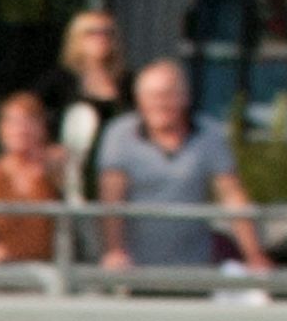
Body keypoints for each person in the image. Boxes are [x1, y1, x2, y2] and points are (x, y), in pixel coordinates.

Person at [94, 59, 266, 274]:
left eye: (167, 95)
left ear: (184, 97)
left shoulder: (210, 134)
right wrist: (114, 251)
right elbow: (111, 198)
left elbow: (232, 196)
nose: (160, 104)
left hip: (194, 268)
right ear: (139, 100)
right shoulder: (119, 135)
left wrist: (254, 255)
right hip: (134, 269)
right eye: (152, 96)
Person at [27, 9, 130, 199]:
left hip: (117, 172)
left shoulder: (128, 83)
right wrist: (47, 147)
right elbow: (29, 114)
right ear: (76, 38)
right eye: (92, 32)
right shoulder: (59, 81)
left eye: (107, 32)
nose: (101, 38)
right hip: (71, 177)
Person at [0, 90, 66, 265]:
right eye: (13, 122)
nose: (21, 129)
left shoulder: (54, 167)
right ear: (2, 128)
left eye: (29, 122)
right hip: (5, 274)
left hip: (48, 273)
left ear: (42, 128)